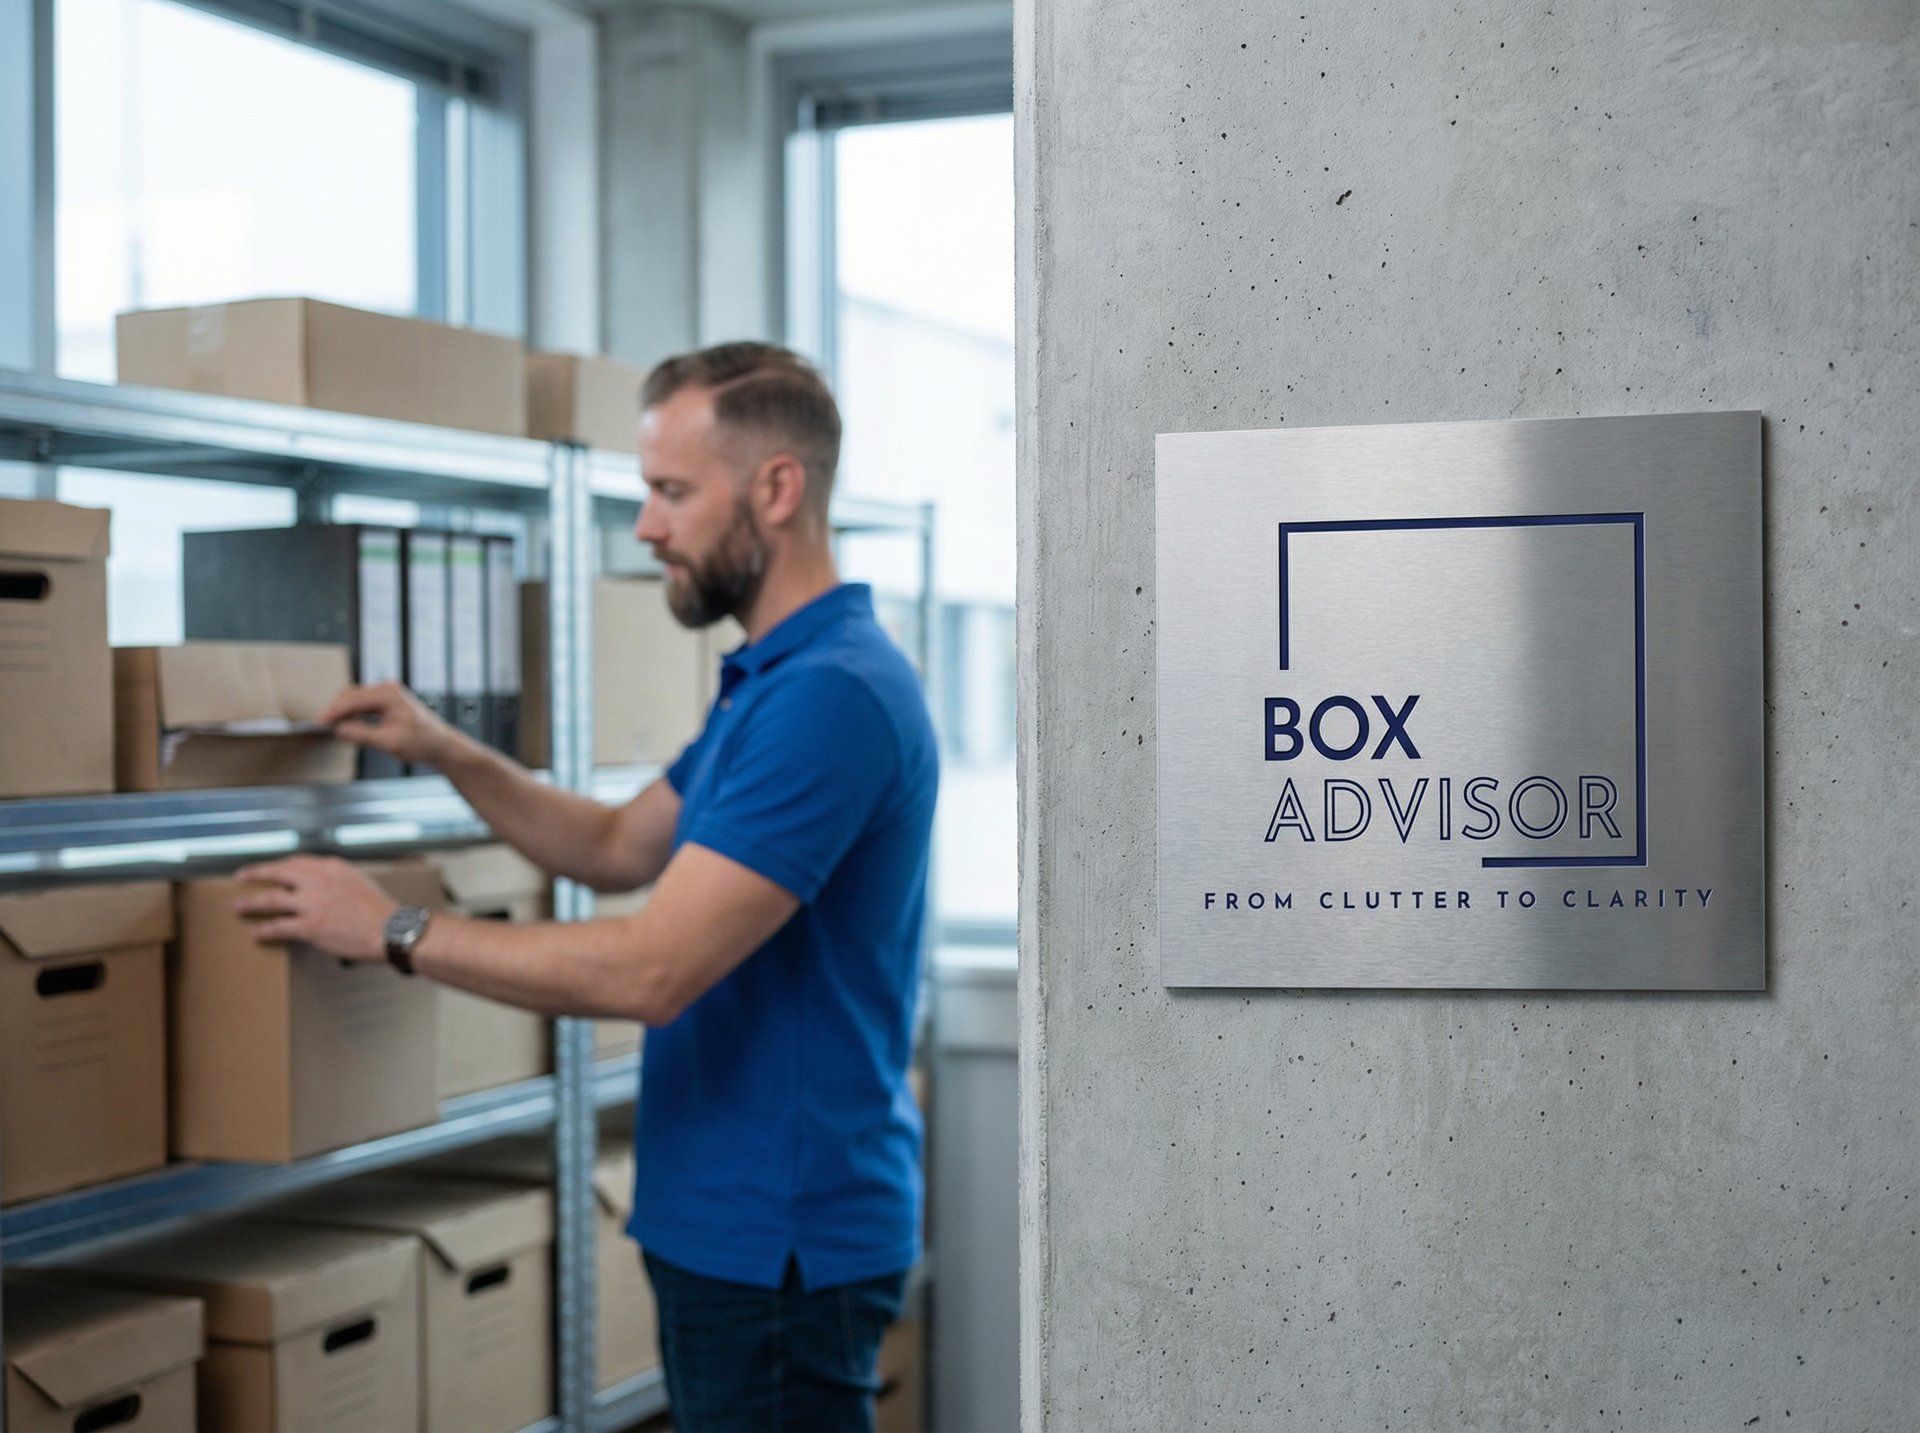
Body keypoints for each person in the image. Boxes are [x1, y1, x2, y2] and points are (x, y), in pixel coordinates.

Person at [233, 342, 939, 1433]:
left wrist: (393, 928)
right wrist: (448, 748)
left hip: (780, 1239)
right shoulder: (776, 680)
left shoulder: (829, 700)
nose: (648, 526)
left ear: (778, 488)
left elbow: (653, 967)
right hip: (727, 1225)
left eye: (670, 492)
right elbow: (616, 842)